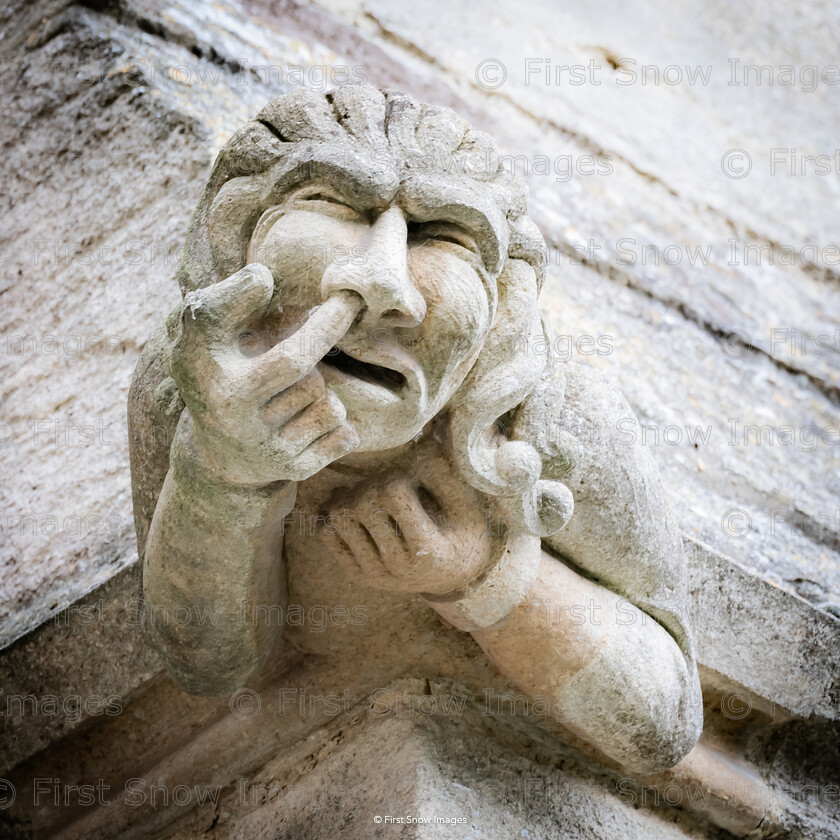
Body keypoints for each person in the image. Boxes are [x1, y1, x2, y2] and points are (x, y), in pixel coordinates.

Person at [129, 83, 702, 773]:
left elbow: (665, 724)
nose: (384, 283)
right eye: (331, 204)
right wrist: (221, 474)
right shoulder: (188, 381)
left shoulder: (546, 423)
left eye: (445, 236)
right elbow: (207, 666)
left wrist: (489, 575)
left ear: (502, 309)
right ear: (234, 236)